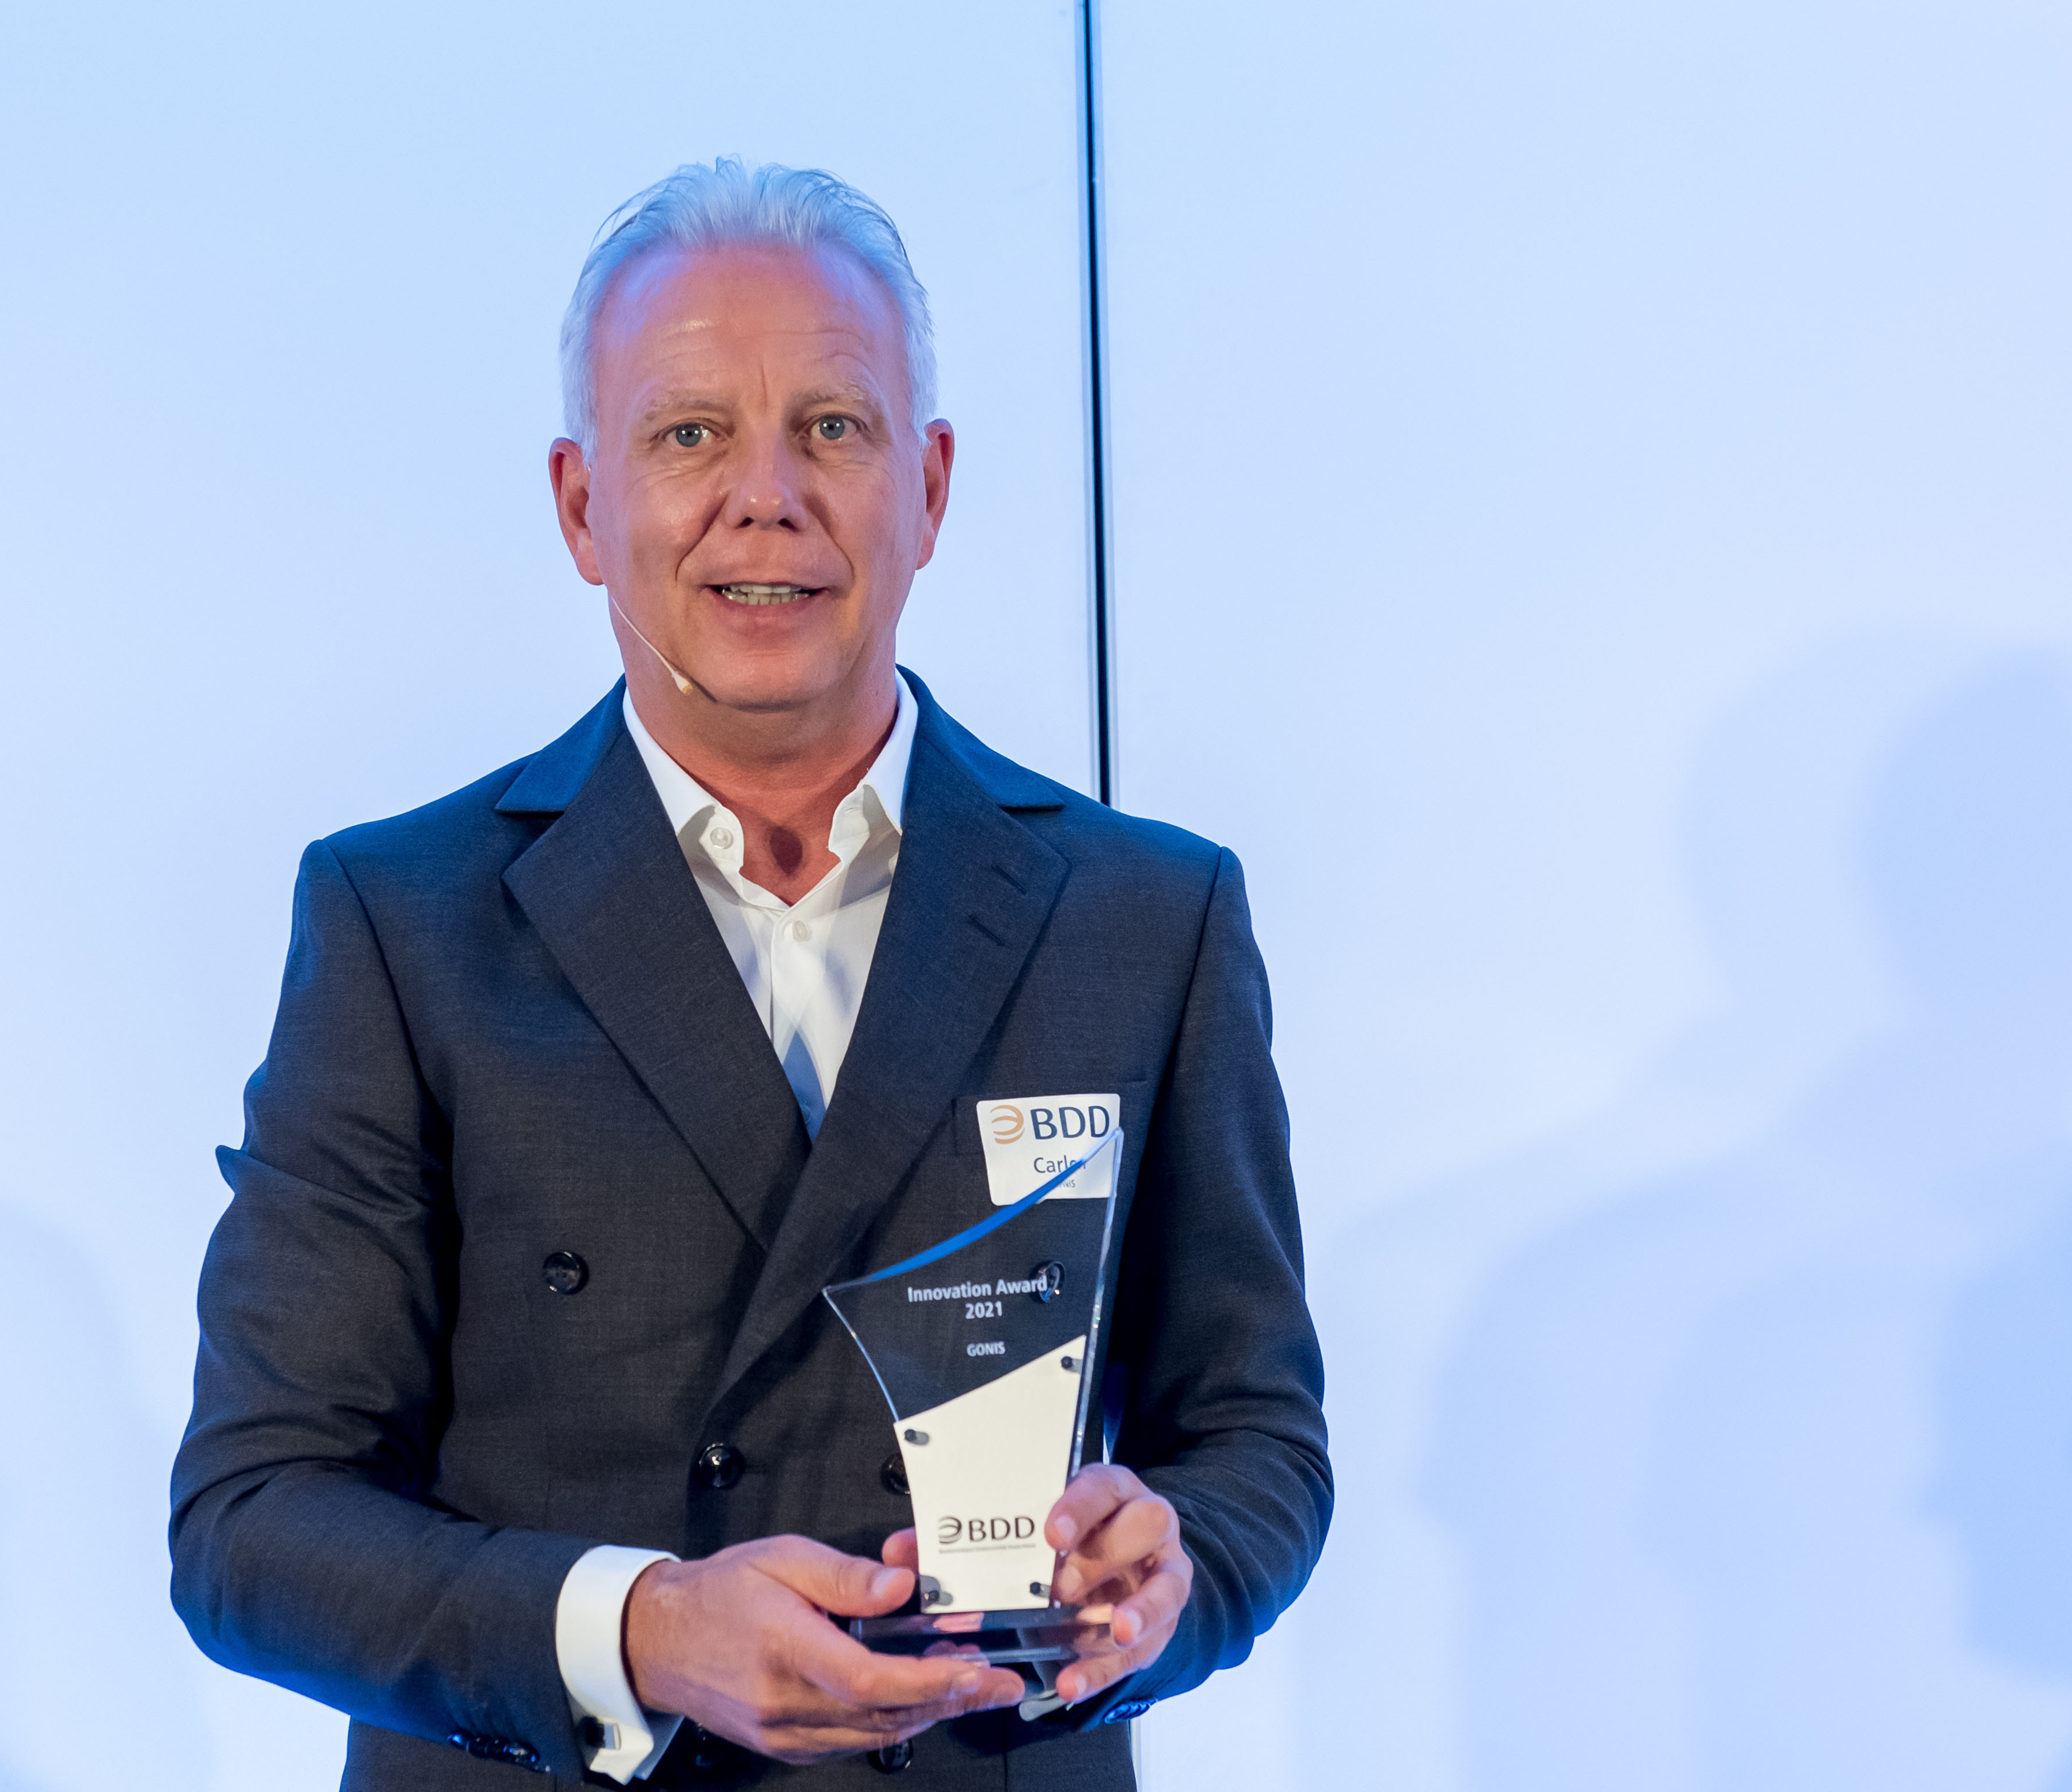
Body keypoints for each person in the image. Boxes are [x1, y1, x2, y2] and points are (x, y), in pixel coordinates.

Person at [168, 158, 1329, 1790]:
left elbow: (1255, 1443)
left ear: (930, 486)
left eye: (833, 428)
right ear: (582, 507)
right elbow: (252, 1524)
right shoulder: (403, 922)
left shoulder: (1145, 917)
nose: (765, 496)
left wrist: (1170, 1579)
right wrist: (640, 1631)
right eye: (689, 434)